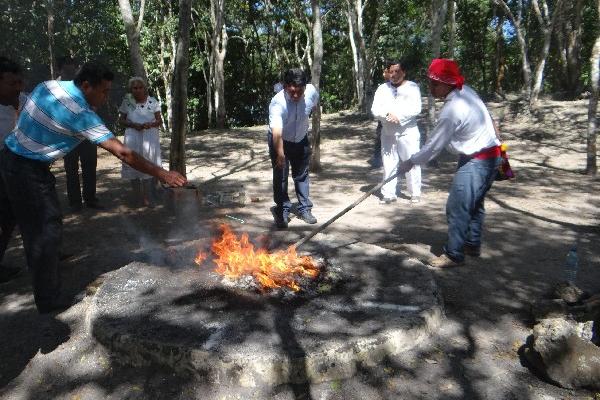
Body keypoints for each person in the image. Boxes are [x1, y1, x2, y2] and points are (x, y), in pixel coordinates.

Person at [0, 62, 186, 313]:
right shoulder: (80, 114)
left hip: (8, 156)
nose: (105, 97)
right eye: (104, 91)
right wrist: (162, 173)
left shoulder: (48, 86)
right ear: (86, 85)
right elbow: (122, 152)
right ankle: (48, 299)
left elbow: (22, 108)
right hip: (27, 170)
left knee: (8, 221)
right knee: (45, 229)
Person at [397, 59, 502, 268]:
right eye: (430, 82)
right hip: (489, 155)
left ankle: (454, 254)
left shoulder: (453, 109)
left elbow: (433, 146)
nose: (431, 88)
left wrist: (410, 162)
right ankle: (471, 243)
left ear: (448, 83)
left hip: (479, 160)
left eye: (435, 84)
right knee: (475, 202)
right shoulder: (467, 92)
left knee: (457, 205)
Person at [268, 68, 319, 229]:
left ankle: (305, 208)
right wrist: (280, 154)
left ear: (305, 86)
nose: (296, 96)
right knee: (281, 175)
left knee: (301, 175)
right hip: (280, 140)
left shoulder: (311, 92)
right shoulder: (278, 103)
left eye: (299, 91)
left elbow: (315, 108)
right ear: (285, 87)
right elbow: (276, 132)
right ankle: (282, 209)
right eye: (292, 92)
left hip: (301, 139)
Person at [371, 59, 422, 204]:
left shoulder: (412, 87)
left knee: (411, 161)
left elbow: (416, 108)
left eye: (397, 71)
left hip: (408, 132)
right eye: (391, 71)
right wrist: (387, 115)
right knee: (388, 163)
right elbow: (375, 109)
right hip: (387, 132)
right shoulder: (382, 88)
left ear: (403, 72)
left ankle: (415, 192)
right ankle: (389, 193)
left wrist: (399, 117)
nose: (393, 74)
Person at [58, 57, 102, 211]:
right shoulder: (55, 88)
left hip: (87, 134)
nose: (71, 72)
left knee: (90, 166)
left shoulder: (83, 85)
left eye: (73, 69)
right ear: (60, 70)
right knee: (71, 169)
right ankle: (75, 202)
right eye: (67, 69)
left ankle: (90, 199)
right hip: (67, 136)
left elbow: (94, 103)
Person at [118, 77, 162, 207]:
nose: (137, 90)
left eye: (140, 87)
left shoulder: (152, 101)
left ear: (144, 88)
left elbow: (159, 121)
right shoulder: (128, 101)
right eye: (134, 88)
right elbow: (121, 120)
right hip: (133, 136)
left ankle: (148, 197)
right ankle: (137, 197)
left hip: (149, 137)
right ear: (131, 89)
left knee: (148, 165)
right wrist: (132, 125)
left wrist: (151, 124)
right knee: (133, 164)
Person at [0, 56, 25, 283]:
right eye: (12, 84)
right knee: (5, 218)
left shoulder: (24, 101)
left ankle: (45, 253)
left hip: (20, 166)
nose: (18, 88)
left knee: (30, 212)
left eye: (20, 82)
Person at [368, 66, 390, 169]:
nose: (383, 75)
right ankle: (377, 161)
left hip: (396, 120)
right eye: (383, 72)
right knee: (379, 138)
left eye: (386, 72)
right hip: (383, 119)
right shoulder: (382, 88)